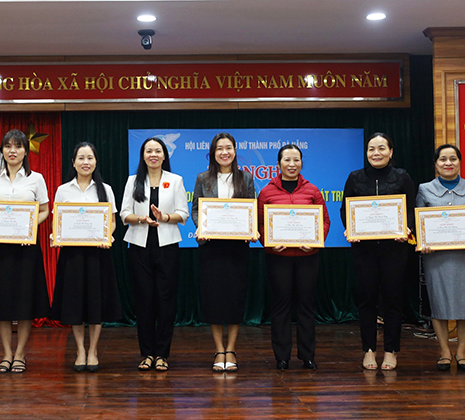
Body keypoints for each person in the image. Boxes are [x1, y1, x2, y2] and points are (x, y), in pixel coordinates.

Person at [340, 132, 416, 371]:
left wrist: (408, 229)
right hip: (365, 250)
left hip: (395, 248)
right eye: (371, 149)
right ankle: (369, 350)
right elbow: (346, 210)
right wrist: (350, 229)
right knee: (367, 301)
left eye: (382, 148)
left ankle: (391, 351)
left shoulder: (402, 177)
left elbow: (412, 209)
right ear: (366, 153)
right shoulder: (355, 178)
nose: (376, 153)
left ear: (391, 152)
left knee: (393, 300)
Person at [0, 129, 51, 374]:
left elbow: (44, 210)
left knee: (24, 302)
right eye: (8, 146)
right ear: (2, 151)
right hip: (0, 249)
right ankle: (6, 354)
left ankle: (20, 354)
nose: (13, 151)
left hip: (26, 248)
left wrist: (29, 230)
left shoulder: (36, 179)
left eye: (18, 146)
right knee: (1, 302)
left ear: (25, 151)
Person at [257, 144, 330, 370]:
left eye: (296, 160)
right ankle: (282, 356)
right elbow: (259, 224)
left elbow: (324, 221)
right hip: (278, 257)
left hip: (308, 256)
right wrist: (268, 242)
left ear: (301, 162)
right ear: (278, 164)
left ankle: (308, 356)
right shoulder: (266, 192)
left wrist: (316, 240)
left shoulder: (313, 191)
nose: (291, 164)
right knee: (280, 306)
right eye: (287, 160)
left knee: (306, 306)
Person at [416, 144, 465, 372]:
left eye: (453, 159)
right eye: (443, 159)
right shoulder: (425, 189)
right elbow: (419, 223)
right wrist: (423, 242)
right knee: (439, 303)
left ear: (459, 162)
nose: (448, 163)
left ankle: (462, 352)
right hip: (436, 257)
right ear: (436, 164)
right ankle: (445, 351)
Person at [51, 142, 121, 373]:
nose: (85, 162)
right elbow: (57, 220)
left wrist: (105, 235)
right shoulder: (63, 190)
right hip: (72, 255)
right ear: (73, 162)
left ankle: (93, 351)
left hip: (97, 254)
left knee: (95, 303)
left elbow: (111, 223)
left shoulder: (105, 189)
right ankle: (80, 350)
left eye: (90, 158)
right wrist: (57, 236)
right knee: (75, 303)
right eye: (81, 158)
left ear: (96, 162)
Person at [120, 137, 189, 371]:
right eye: (148, 151)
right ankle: (147, 354)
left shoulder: (175, 180)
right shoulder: (133, 181)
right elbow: (124, 214)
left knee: (166, 301)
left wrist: (165, 217)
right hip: (139, 247)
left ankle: (162, 354)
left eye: (157, 151)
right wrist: (142, 219)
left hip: (167, 246)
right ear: (143, 155)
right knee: (144, 302)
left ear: (164, 155)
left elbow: (184, 213)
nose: (153, 155)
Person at [191, 133, 255, 372]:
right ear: (213, 153)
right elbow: (196, 207)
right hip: (212, 248)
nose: (224, 152)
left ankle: (232, 349)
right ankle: (219, 349)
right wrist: (201, 228)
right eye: (220, 149)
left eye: (228, 148)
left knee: (235, 298)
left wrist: (250, 229)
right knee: (215, 299)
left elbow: (251, 208)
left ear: (235, 151)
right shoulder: (203, 178)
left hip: (237, 247)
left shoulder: (245, 178)